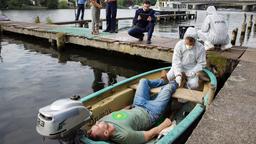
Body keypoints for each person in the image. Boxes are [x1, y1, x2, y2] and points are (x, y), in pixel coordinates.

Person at [88, 75, 178, 143]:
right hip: (151, 112)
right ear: (106, 133)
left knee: (143, 81)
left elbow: (119, 114)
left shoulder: (102, 121)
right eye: (97, 125)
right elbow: (148, 135)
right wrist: (164, 124)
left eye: (96, 123)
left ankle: (162, 81)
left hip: (137, 105)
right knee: (168, 88)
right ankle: (176, 82)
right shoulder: (124, 135)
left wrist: (128, 107)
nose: (97, 122)